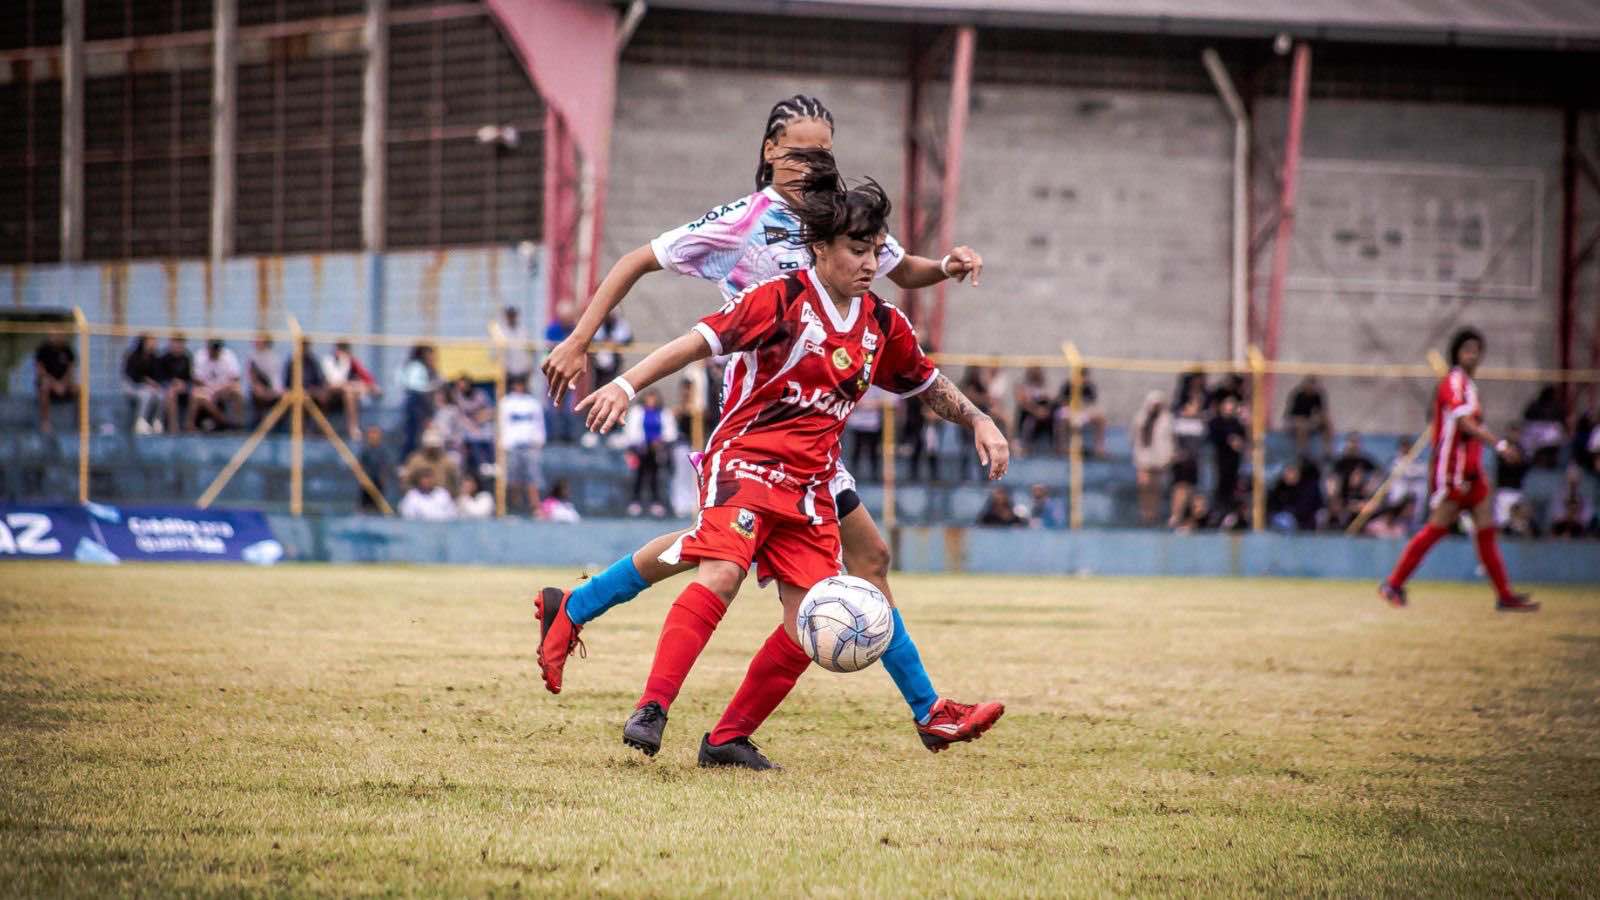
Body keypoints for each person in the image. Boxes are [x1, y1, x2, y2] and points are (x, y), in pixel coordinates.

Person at [533, 98, 999, 754]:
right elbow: (643, 267)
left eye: (825, 153)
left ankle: (590, 618)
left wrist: (948, 280)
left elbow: (906, 278)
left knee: (804, 580)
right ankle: (923, 709)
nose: (815, 165)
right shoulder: (748, 231)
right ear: (770, 150)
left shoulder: (851, 233)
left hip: (815, 444)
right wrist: (598, 356)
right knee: (732, 562)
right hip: (754, 426)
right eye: (802, 152)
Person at [1380, 329, 1538, 611]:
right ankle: (1393, 583)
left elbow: (1473, 425)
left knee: (1486, 531)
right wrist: (1500, 445)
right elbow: (1464, 423)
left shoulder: (1470, 387)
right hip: (1453, 471)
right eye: (1467, 350)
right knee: (1436, 529)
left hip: (1473, 471)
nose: (1472, 355)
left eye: (1476, 350)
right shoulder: (1453, 382)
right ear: (1456, 353)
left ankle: (1504, 595)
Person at [625, 389, 677, 517]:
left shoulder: (663, 413)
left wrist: (660, 441)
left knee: (655, 475)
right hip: (640, 449)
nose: (651, 401)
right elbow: (631, 431)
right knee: (639, 475)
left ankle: (656, 502)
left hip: (657, 450)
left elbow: (671, 432)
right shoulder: (637, 412)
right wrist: (638, 444)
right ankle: (635, 501)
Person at [498, 376, 546, 515]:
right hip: (512, 446)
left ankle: (535, 508)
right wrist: (503, 443)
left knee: (533, 478)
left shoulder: (532, 403)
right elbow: (501, 424)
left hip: (530, 446)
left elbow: (539, 423)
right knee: (513, 478)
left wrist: (540, 439)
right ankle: (514, 508)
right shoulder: (506, 402)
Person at [1131, 390, 1174, 526]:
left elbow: (1169, 440)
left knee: (1155, 487)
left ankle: (1153, 513)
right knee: (1144, 485)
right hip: (1143, 456)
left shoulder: (1167, 419)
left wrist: (1168, 456)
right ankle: (1144, 512)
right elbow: (1133, 437)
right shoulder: (1140, 418)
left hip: (1159, 458)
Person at [321, 342, 380, 440]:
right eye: (342, 350)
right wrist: (352, 384)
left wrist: (370, 385)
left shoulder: (349, 361)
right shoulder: (328, 361)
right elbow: (333, 380)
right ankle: (353, 428)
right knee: (351, 389)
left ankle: (355, 428)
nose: (344, 353)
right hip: (330, 390)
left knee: (351, 392)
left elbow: (363, 374)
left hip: (347, 389)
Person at [1168, 394, 1206, 528]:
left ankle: (1189, 519)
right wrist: (1175, 453)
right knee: (1180, 488)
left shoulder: (1200, 423)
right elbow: (1171, 442)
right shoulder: (1178, 422)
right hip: (1181, 461)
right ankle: (1176, 516)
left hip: (1194, 462)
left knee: (1191, 489)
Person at [188, 339, 243, 432]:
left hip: (224, 389)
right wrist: (211, 390)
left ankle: (238, 425)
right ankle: (223, 422)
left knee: (237, 391)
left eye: (217, 349)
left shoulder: (228, 356)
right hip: (206, 390)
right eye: (212, 348)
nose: (214, 351)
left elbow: (235, 378)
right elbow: (197, 380)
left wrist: (220, 389)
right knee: (196, 394)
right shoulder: (200, 356)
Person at [1208, 395, 1247, 517]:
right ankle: (1217, 511)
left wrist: (1239, 442)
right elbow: (1213, 438)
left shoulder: (1237, 424)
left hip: (1233, 461)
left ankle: (1230, 512)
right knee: (1218, 485)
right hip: (1218, 459)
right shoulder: (1215, 422)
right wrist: (1229, 440)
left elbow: (1243, 440)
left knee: (1232, 486)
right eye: (1227, 405)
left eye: (1232, 405)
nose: (1229, 408)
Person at [398, 344, 440, 458]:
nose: (432, 358)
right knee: (412, 436)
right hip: (416, 404)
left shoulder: (431, 370)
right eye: (430, 355)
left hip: (426, 407)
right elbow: (414, 386)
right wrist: (431, 387)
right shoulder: (416, 367)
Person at [34, 331, 78, 434]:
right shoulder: (43, 350)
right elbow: (41, 371)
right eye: (54, 333)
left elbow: (70, 370)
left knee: (78, 389)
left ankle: (80, 422)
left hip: (64, 384)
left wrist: (63, 383)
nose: (57, 336)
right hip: (49, 383)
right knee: (44, 386)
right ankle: (45, 422)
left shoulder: (67, 350)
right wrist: (55, 384)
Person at [1055, 368, 1106, 457]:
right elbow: (1060, 400)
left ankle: (1099, 447)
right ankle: (1062, 447)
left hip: (1083, 411)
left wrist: (1083, 408)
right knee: (1062, 419)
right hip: (1069, 410)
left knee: (1101, 419)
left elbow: (1091, 403)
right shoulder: (1068, 384)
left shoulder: (1089, 386)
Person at [121, 334, 164, 434]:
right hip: (133, 386)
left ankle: (157, 421)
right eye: (151, 341)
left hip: (150, 388)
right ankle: (140, 421)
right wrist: (145, 381)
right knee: (145, 395)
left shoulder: (155, 357)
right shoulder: (133, 356)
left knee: (161, 395)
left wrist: (154, 384)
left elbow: (158, 375)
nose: (154, 344)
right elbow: (132, 376)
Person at [843, 386, 888, 481]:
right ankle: (854, 472)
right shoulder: (857, 384)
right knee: (856, 450)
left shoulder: (876, 387)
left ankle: (874, 474)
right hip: (857, 423)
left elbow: (884, 401)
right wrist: (866, 404)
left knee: (873, 451)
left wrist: (870, 404)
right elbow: (851, 400)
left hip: (873, 423)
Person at [400, 428, 461, 497]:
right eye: (430, 446)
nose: (432, 449)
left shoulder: (448, 462)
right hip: (420, 498)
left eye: (434, 447)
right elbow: (406, 481)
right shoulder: (416, 461)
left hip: (443, 498)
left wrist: (451, 496)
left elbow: (455, 483)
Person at [1285, 374, 1332, 459]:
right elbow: (1292, 415)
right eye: (1310, 385)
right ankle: (1302, 452)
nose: (1312, 388)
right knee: (1303, 426)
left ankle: (1327, 450)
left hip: (1310, 421)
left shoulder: (1317, 396)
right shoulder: (1298, 395)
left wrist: (1322, 420)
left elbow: (1322, 412)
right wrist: (1305, 421)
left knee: (1327, 423)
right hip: (1296, 421)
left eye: (1314, 386)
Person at [1491, 424, 1530, 527]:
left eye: (1516, 432)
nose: (1514, 435)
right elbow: (1505, 460)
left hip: (1517, 489)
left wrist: (1513, 456)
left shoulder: (1522, 448)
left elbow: (1521, 462)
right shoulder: (1501, 446)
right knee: (1501, 521)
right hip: (1503, 490)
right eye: (1512, 432)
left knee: (1517, 523)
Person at [1012, 366, 1053, 454]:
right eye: (1034, 370)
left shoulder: (1044, 385)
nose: (1036, 373)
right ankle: (1022, 444)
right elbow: (1022, 402)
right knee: (1026, 417)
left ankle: (1054, 446)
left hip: (1043, 413)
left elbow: (1049, 400)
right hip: (1029, 413)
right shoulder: (1023, 385)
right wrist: (1036, 411)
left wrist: (1044, 411)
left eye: (1038, 370)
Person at [158, 334, 194, 435]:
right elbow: (160, 378)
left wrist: (184, 384)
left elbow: (189, 378)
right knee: (171, 393)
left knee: (195, 393)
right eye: (176, 343)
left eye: (181, 343)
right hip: (167, 387)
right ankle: (173, 426)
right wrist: (172, 383)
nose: (178, 346)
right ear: (171, 344)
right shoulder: (163, 358)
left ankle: (189, 425)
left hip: (183, 387)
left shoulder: (186, 358)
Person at [247, 337, 285, 425]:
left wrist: (276, 391)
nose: (255, 342)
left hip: (273, 390)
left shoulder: (274, 357)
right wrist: (261, 390)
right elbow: (252, 379)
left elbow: (276, 379)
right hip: (258, 391)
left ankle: (276, 424)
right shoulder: (252, 358)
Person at [356, 424, 392, 514]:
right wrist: (362, 478)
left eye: (375, 433)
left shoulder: (383, 451)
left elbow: (385, 466)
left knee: (379, 505)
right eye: (371, 433)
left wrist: (383, 477)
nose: (373, 436)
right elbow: (360, 465)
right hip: (367, 483)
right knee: (364, 506)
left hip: (378, 483)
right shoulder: (365, 450)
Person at [496, 306, 535, 384]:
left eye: (513, 315)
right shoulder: (501, 332)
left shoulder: (524, 331)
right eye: (509, 315)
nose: (511, 318)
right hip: (508, 372)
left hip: (523, 371)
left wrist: (530, 367)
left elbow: (531, 352)